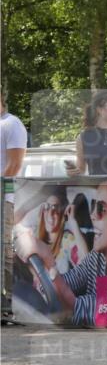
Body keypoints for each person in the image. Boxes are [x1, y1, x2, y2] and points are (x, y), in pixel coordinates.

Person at [16, 181, 107, 326]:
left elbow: (74, 309)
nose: (93, 215)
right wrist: (42, 268)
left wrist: (48, 260)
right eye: (93, 205)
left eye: (101, 208)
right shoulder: (97, 257)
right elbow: (68, 283)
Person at [2, 94, 28, 313]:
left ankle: (9, 302)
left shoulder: (11, 124)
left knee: (5, 250)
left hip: (5, 199)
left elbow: (15, 165)